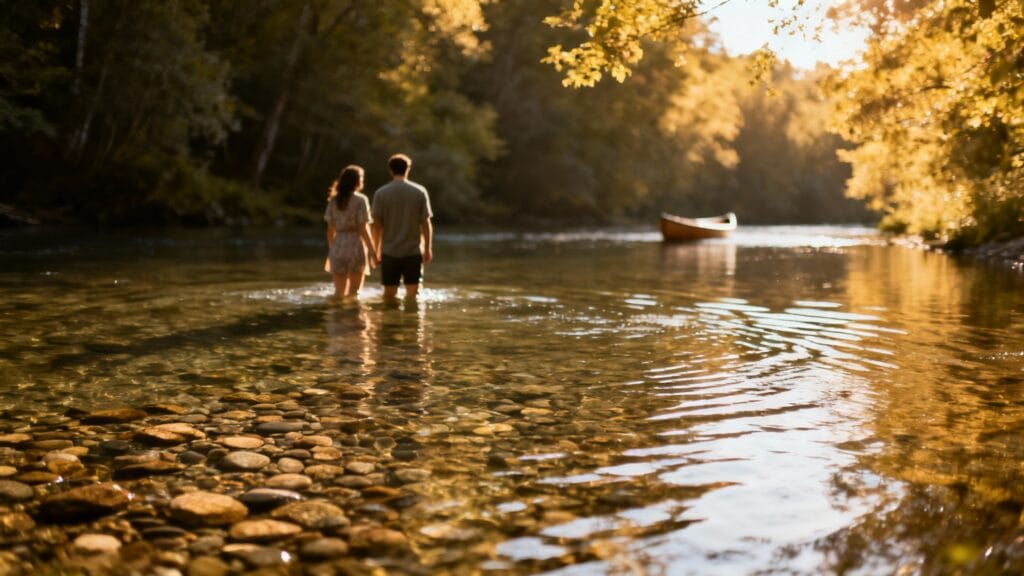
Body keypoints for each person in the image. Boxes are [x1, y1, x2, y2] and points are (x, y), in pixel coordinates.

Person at [371, 153, 433, 300]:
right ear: (408, 169)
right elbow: (426, 223)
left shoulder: (380, 193)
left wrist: (375, 250)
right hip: (413, 252)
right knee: (412, 295)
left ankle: (390, 322)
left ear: (390, 170)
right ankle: (412, 323)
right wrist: (428, 248)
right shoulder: (419, 192)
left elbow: (377, 225)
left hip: (389, 252)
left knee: (389, 295)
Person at [325, 165, 377, 298]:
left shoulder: (333, 201)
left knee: (339, 293)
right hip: (356, 247)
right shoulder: (361, 200)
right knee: (354, 294)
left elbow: (330, 231)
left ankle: (336, 317)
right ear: (358, 181)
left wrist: (333, 250)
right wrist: (372, 251)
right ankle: (354, 318)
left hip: (338, 246)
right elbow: (363, 229)